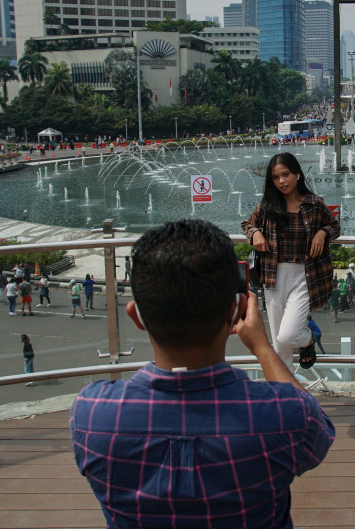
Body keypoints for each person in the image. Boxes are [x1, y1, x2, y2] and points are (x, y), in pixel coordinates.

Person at [70, 219, 335, 527]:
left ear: (136, 316)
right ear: (237, 313)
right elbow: (318, 429)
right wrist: (263, 347)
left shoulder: (92, 415)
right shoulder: (284, 417)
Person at [242, 152, 341, 371]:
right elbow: (247, 224)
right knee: (279, 343)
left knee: (288, 336)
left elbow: (335, 226)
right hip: (273, 275)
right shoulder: (268, 207)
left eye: (286, 175)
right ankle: (285, 392)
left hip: (305, 275)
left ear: (297, 174)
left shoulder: (314, 204)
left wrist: (322, 233)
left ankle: (307, 339)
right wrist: (255, 233)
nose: (282, 182)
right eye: (276, 178)